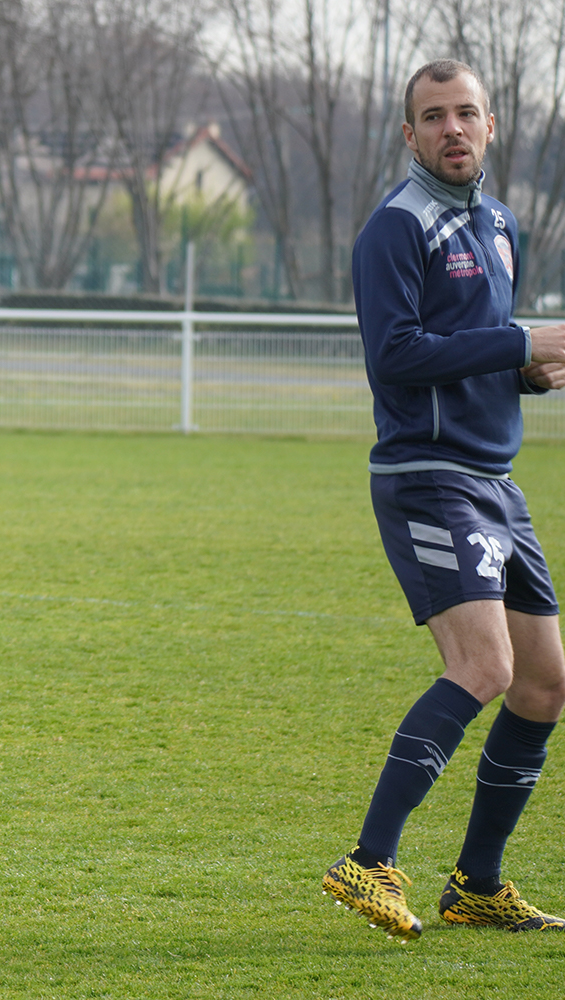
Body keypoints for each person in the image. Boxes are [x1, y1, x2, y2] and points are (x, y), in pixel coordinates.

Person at [324, 58, 565, 940]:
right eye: (433, 116)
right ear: (410, 134)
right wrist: (520, 342)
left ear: (491, 125)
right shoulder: (397, 227)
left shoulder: (499, 223)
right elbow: (396, 357)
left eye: (466, 113)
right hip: (428, 478)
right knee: (485, 667)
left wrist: (527, 372)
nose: (452, 128)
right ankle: (368, 861)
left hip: (496, 481)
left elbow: (478, 346)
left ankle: (476, 885)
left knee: (543, 684)